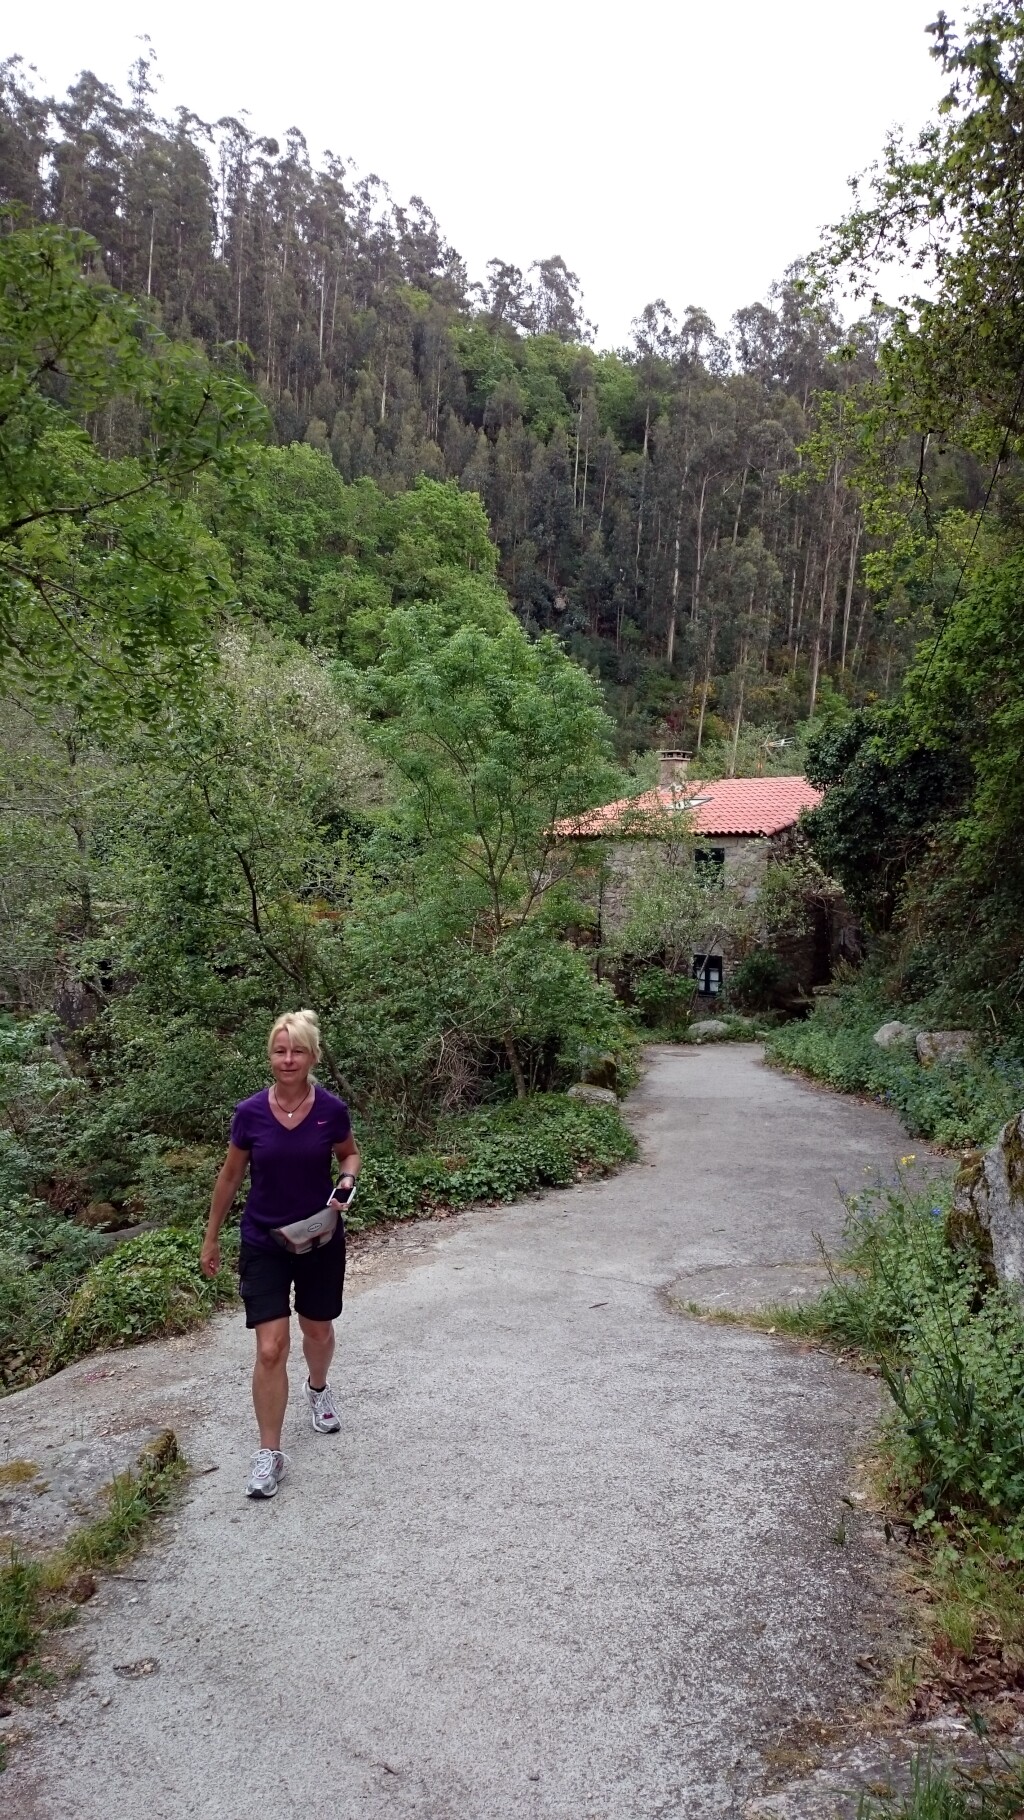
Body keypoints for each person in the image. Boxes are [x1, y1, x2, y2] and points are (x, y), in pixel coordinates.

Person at [200, 1008, 360, 1500]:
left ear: (312, 1055)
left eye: (297, 1050)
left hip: (318, 1237)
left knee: (318, 1329)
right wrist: (211, 1238)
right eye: (279, 1050)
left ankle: (317, 1388)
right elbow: (229, 1178)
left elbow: (348, 1153)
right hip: (263, 1240)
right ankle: (269, 1453)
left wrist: (347, 1181)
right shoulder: (249, 1113)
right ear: (270, 1055)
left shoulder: (331, 1109)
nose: (287, 1059)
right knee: (270, 1347)